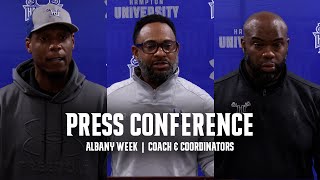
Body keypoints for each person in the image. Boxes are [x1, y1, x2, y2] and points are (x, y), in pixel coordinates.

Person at [0, 4, 107, 180]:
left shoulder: (100, 101)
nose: (55, 46)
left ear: (72, 41)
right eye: (44, 38)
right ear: (29, 45)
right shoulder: (3, 103)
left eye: (62, 37)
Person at [214, 11, 320, 178]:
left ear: (287, 45)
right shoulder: (215, 96)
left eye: (277, 45)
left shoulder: (313, 98)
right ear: (243, 44)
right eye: (258, 45)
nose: (269, 53)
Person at [107, 14, 214, 176]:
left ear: (176, 49)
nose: (160, 53)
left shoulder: (201, 102)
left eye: (167, 45)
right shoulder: (109, 100)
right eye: (151, 46)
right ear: (135, 52)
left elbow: (210, 158)